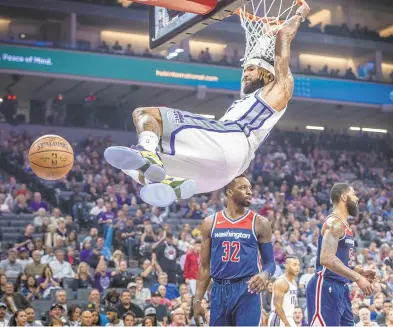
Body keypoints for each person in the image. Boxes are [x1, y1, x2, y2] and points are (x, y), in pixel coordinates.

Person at [103, 1, 311, 207]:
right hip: (218, 176)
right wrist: (266, 35)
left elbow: (284, 37)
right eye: (244, 70)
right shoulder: (247, 101)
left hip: (230, 141)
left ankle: (148, 154)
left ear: (267, 73)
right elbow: (263, 53)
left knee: (146, 114)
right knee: (133, 164)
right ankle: (170, 184)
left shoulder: (277, 91)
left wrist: (299, 16)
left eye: (250, 69)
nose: (245, 74)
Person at [193, 175, 275, 326]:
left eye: (250, 188)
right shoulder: (210, 222)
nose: (249, 192)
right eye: (243, 188)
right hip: (218, 290)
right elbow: (204, 266)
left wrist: (265, 274)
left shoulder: (260, 223)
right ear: (229, 192)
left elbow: (270, 262)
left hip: (247, 290)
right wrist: (198, 299)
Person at [306, 183, 376, 326]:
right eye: (354, 194)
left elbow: (340, 260)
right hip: (326, 285)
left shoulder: (345, 226)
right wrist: (357, 278)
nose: (357, 199)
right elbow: (326, 258)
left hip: (341, 287)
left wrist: (359, 271)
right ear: (344, 197)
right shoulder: (334, 222)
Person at [268, 256, 300, 327]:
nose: (298, 267)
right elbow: (277, 304)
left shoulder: (294, 282)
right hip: (279, 318)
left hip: (289, 318)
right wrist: (286, 323)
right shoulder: (281, 282)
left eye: (298, 265)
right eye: (294, 265)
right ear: (287, 266)